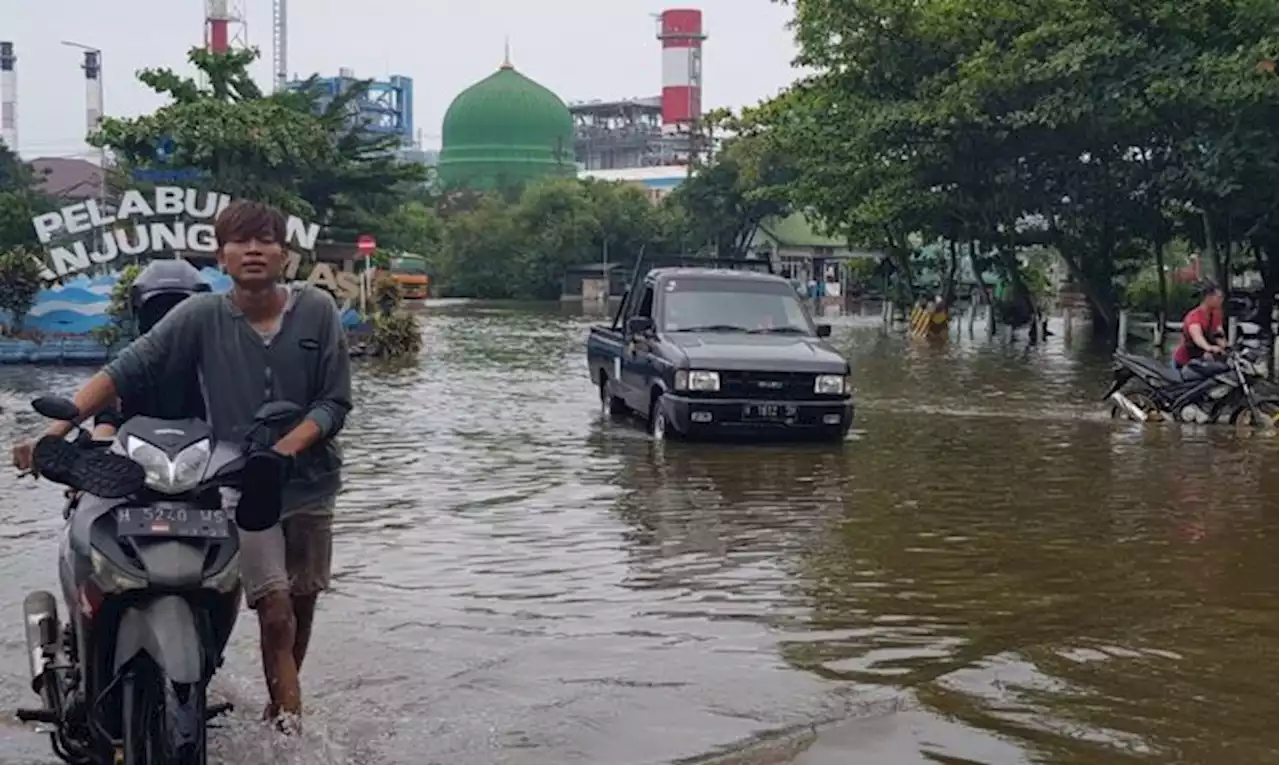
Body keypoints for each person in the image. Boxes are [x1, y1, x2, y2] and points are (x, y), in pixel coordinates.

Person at [11, 200, 352, 729]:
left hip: (309, 485)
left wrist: (283, 452)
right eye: (240, 242)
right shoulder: (200, 316)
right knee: (275, 611)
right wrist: (52, 433)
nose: (253, 251)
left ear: (284, 253)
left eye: (265, 241)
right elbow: (125, 369)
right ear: (222, 257)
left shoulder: (318, 311)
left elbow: (333, 404)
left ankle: (277, 712)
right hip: (239, 485)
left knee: (300, 611)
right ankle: (291, 733)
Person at [91, 258, 210, 440]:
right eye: (158, 310)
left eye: (182, 311)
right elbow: (107, 415)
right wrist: (99, 443)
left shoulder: (218, 361)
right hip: (135, 458)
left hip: (211, 460)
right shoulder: (133, 362)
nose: (170, 322)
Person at [1173, 281, 1227, 369]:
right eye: (1219, 297)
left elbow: (1218, 334)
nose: (1221, 300)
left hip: (1203, 361)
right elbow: (1197, 337)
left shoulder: (1216, 315)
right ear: (1208, 297)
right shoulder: (1194, 317)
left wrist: (1225, 346)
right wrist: (1209, 347)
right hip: (1184, 363)